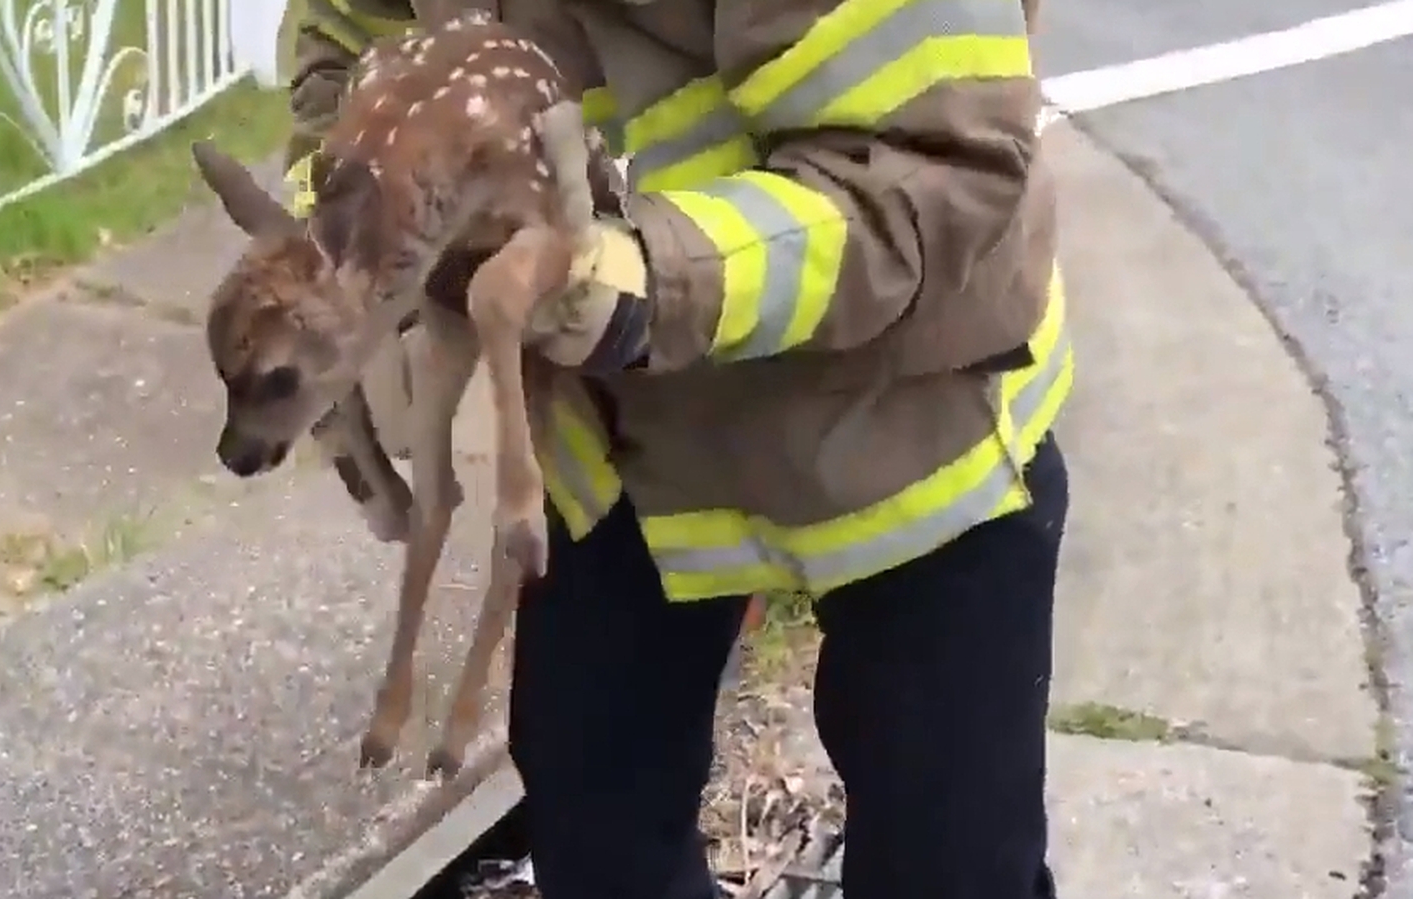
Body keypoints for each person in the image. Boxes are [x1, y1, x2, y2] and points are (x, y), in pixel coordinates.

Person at [282, 2, 1069, 898]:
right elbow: (356, 31)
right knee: (597, 824)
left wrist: (646, 282)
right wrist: (342, 250)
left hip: (903, 435)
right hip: (620, 435)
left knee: (952, 859)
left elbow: (929, 167)